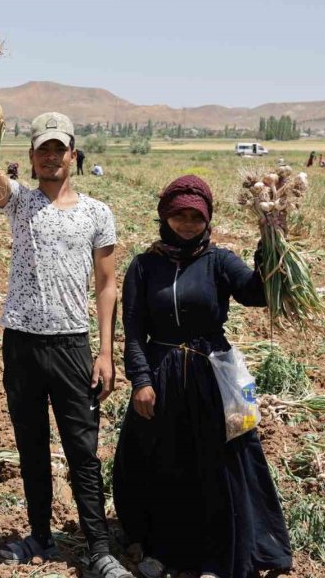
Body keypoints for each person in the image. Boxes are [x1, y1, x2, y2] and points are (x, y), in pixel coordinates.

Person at [0, 104, 131, 574]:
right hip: (21, 342)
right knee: (31, 446)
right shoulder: (19, 201)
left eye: (59, 149)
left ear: (73, 154)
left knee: (83, 450)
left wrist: (105, 352)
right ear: (32, 155)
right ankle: (40, 537)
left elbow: (107, 285)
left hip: (71, 346)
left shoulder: (97, 214)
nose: (50, 157)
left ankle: (98, 548)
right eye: (43, 149)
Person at [112, 174, 292, 578]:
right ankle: (164, 548)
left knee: (217, 465)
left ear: (208, 218)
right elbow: (135, 330)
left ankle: (218, 556)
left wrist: (271, 244)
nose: (189, 223)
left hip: (212, 375)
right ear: (165, 215)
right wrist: (141, 381)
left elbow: (256, 293)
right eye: (180, 215)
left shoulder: (219, 260)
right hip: (162, 376)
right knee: (163, 464)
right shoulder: (143, 267)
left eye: (197, 216)